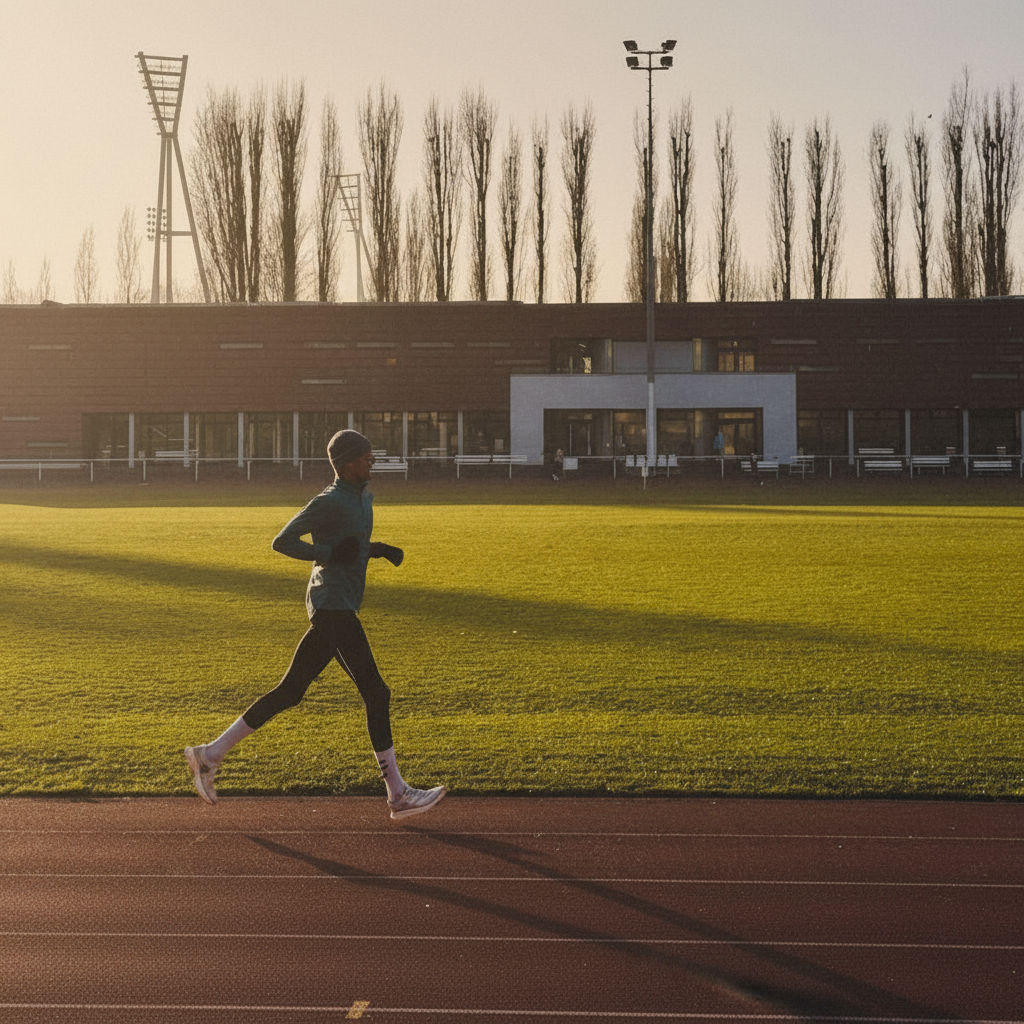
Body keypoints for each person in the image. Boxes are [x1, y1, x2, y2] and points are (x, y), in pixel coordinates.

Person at [185, 429, 446, 820]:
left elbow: (349, 545)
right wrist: (326, 552)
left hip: (340, 606)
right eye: (366, 457)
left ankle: (209, 754)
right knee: (376, 692)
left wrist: (377, 550)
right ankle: (398, 794)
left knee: (291, 692)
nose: (372, 462)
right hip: (332, 607)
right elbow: (282, 541)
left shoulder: (362, 498)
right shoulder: (327, 501)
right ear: (345, 463)